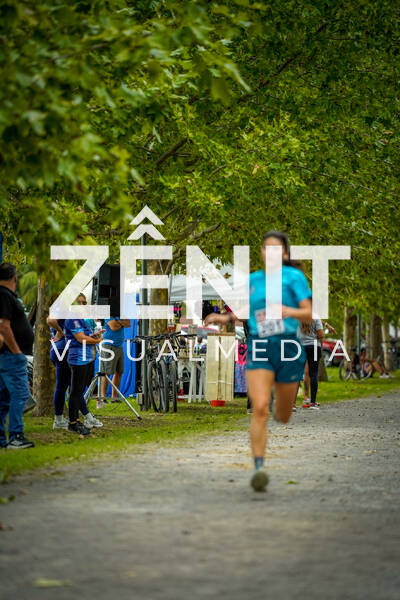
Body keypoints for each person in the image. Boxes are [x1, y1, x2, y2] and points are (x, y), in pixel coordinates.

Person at [205, 231, 312, 492]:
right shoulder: (253, 280)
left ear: (285, 253)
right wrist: (225, 318)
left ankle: (280, 406)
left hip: (287, 348)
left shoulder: (294, 277)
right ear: (262, 253)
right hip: (260, 347)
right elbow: (246, 312)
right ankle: (259, 468)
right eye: (266, 248)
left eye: (276, 249)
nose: (270, 253)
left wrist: (288, 311)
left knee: (283, 416)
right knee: (260, 407)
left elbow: (308, 312)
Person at [0, 263, 35, 449]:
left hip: (7, 355)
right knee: (21, 394)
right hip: (12, 356)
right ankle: (16, 436)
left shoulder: (6, 296)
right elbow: (3, 326)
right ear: (15, 278)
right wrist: (16, 351)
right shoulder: (5, 295)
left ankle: (2, 439)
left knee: (4, 398)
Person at [64, 317, 104, 434]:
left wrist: (94, 335)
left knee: (79, 391)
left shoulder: (80, 319)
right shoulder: (73, 319)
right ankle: (73, 423)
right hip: (78, 359)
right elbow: (81, 338)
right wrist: (97, 340)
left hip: (86, 359)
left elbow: (85, 336)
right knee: (76, 391)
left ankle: (77, 421)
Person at [98, 318, 131, 408]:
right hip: (108, 346)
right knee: (106, 373)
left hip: (119, 346)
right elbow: (114, 327)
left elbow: (128, 324)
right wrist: (121, 323)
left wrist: (118, 322)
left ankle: (114, 398)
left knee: (119, 372)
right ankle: (103, 397)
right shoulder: (109, 314)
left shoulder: (121, 315)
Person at [299, 319, 324, 410]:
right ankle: (312, 403)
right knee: (313, 374)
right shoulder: (316, 318)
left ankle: (292, 404)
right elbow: (321, 335)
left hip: (300, 347)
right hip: (314, 347)